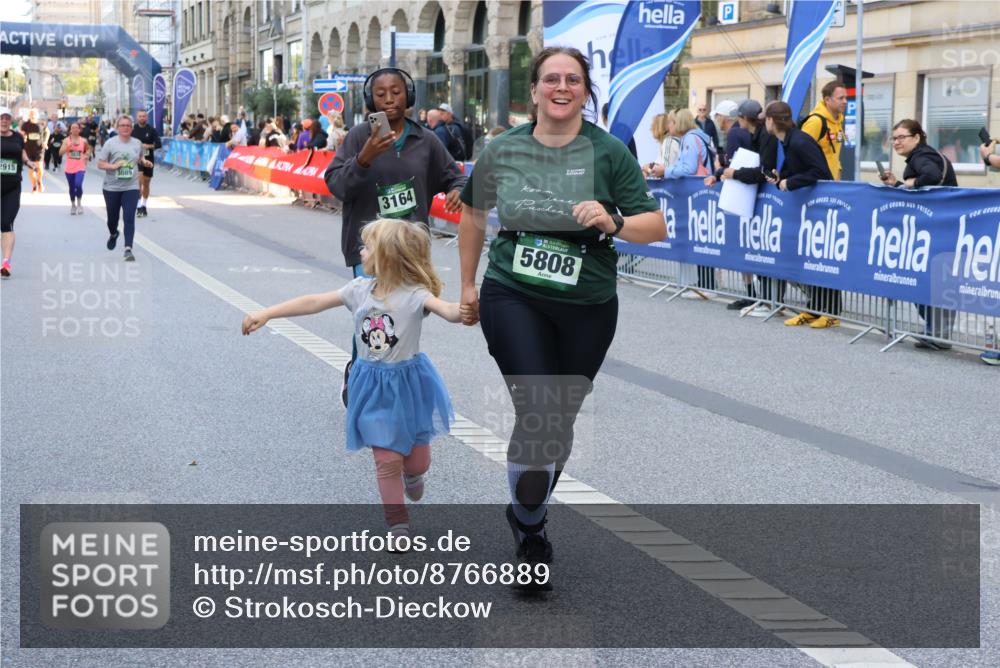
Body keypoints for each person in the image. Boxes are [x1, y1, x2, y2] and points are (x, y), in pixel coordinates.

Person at [457, 46, 666, 587]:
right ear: (533, 90)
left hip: (587, 302)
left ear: (585, 91)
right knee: (538, 412)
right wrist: (467, 285)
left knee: (560, 421)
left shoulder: (608, 151)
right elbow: (473, 215)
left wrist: (614, 220)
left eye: (573, 79)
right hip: (513, 290)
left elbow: (655, 225)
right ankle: (532, 533)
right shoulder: (504, 148)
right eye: (551, 79)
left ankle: (527, 510)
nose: (562, 87)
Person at [242, 218, 461, 543]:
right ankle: (397, 524)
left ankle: (413, 475)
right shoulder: (359, 291)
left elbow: (449, 310)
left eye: (367, 247)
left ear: (387, 256)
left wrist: (469, 309)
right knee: (386, 460)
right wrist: (267, 313)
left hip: (409, 386)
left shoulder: (415, 295)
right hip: (371, 387)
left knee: (418, 461)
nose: (361, 251)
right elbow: (313, 302)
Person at [324, 66, 467, 400]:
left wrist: (458, 189)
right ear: (370, 100)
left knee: (403, 319)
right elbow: (336, 185)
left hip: (410, 249)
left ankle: (390, 378)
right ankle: (362, 380)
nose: (389, 99)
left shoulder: (426, 140)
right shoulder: (359, 137)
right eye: (381, 94)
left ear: (409, 96)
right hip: (370, 250)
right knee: (373, 316)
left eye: (396, 92)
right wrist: (364, 158)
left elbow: (455, 175)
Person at [880, 119, 958, 350]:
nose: (896, 142)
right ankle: (936, 331)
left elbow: (931, 177)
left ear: (916, 137)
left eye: (901, 137)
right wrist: (898, 184)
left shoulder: (922, 156)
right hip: (935, 226)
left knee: (929, 278)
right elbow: (923, 190)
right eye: (894, 138)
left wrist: (912, 181)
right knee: (927, 278)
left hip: (936, 228)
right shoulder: (923, 155)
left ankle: (939, 333)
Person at [759, 101, 838, 328]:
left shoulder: (800, 141)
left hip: (821, 206)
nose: (765, 124)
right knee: (809, 258)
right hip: (807, 208)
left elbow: (820, 172)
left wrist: (790, 182)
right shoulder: (788, 141)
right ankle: (814, 308)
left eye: (766, 119)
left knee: (822, 258)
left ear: (771, 120)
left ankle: (831, 312)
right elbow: (798, 168)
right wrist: (780, 176)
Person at [718, 99, 781, 316]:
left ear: (745, 118)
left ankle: (771, 300)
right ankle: (763, 299)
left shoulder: (765, 137)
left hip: (766, 195)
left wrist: (735, 174)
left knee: (767, 250)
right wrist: (723, 174)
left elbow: (763, 171)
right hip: (755, 196)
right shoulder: (755, 135)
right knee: (758, 249)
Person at [705, 99, 756, 310]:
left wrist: (719, 168)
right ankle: (758, 295)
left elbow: (733, 164)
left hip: (742, 194)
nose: (717, 122)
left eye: (717, 117)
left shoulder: (735, 133)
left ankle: (753, 295)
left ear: (723, 118)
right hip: (748, 189)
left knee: (744, 244)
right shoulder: (743, 131)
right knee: (752, 246)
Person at [664, 108, 717, 295]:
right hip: (704, 191)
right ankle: (704, 284)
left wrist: (666, 171)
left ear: (678, 123)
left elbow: (688, 168)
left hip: (698, 192)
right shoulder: (698, 136)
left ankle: (706, 286)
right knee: (702, 237)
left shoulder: (690, 139)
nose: (668, 125)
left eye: (671, 122)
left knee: (702, 238)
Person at [96, 114, 153, 262]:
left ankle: (128, 249)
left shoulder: (137, 143)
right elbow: (100, 163)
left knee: (129, 218)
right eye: (122, 125)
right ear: (117, 127)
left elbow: (140, 157)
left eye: (128, 125)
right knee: (112, 219)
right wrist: (114, 166)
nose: (125, 128)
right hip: (111, 187)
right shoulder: (110, 143)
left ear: (132, 128)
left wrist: (144, 162)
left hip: (131, 187)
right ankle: (114, 233)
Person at [1, 107, 38, 278]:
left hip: (12, 186)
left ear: (11, 120)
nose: (4, 121)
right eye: (1, 118)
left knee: (6, 223)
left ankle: (6, 263)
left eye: (7, 118)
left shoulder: (17, 137)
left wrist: (29, 162)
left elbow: (22, 152)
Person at [801, 80, 847, 182]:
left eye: (845, 98)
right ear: (827, 100)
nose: (845, 101)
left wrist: (838, 171)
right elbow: (800, 154)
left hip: (832, 181)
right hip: (817, 183)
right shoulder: (815, 121)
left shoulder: (838, 121)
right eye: (841, 98)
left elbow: (834, 153)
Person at [132, 109, 161, 218]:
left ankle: (144, 205)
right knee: (138, 182)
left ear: (147, 117)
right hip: (136, 160)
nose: (142, 118)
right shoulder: (133, 129)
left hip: (148, 159)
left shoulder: (151, 130)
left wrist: (147, 146)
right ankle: (138, 206)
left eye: (144, 116)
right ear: (137, 117)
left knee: (146, 183)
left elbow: (158, 144)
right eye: (140, 116)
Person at [59, 121, 90, 215]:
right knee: (72, 187)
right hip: (69, 168)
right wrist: (68, 147)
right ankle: (73, 205)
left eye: (77, 128)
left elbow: (88, 149)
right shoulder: (66, 140)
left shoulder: (84, 140)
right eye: (73, 128)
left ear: (79, 130)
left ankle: (79, 203)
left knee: (78, 184)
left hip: (80, 166)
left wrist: (86, 155)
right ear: (70, 130)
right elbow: (60, 153)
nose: (75, 129)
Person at [642, 112, 679, 179]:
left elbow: (664, 171)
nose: (651, 129)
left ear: (658, 128)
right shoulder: (670, 142)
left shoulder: (668, 142)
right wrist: (647, 167)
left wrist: (647, 169)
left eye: (653, 126)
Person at [20, 110, 46, 193]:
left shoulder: (42, 123)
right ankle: (34, 185)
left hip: (39, 149)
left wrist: (45, 141)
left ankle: (39, 180)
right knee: (31, 169)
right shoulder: (25, 124)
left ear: (37, 115)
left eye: (34, 114)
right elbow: (22, 133)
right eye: (31, 114)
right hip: (29, 149)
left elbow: (47, 132)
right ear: (29, 115)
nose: (32, 115)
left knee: (40, 167)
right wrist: (23, 137)